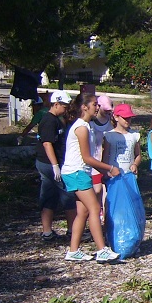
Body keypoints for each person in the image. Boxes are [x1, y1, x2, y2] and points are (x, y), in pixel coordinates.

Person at [61, 93, 119, 262]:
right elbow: (87, 158)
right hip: (77, 172)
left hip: (79, 172)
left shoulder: (86, 126)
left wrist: (103, 171)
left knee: (83, 211)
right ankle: (101, 250)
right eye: (94, 104)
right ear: (84, 107)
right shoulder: (81, 128)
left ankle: (73, 251)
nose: (97, 107)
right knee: (94, 208)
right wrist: (109, 168)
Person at [36, 90, 77, 240]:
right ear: (56, 104)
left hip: (49, 163)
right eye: (64, 106)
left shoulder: (57, 120)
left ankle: (47, 231)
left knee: (49, 195)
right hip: (49, 163)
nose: (65, 109)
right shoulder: (49, 120)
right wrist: (55, 165)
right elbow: (47, 144)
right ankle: (72, 230)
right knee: (68, 195)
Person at [101, 104, 141, 175]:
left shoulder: (134, 135)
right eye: (125, 118)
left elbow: (138, 155)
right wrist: (106, 172)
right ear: (116, 117)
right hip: (114, 173)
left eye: (129, 118)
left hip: (129, 173)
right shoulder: (109, 135)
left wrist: (135, 164)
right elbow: (106, 156)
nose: (127, 120)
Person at [89, 95, 115, 195]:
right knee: (96, 190)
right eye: (105, 110)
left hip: (106, 160)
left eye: (109, 110)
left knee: (103, 190)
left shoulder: (111, 122)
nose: (108, 112)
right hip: (93, 160)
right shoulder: (90, 123)